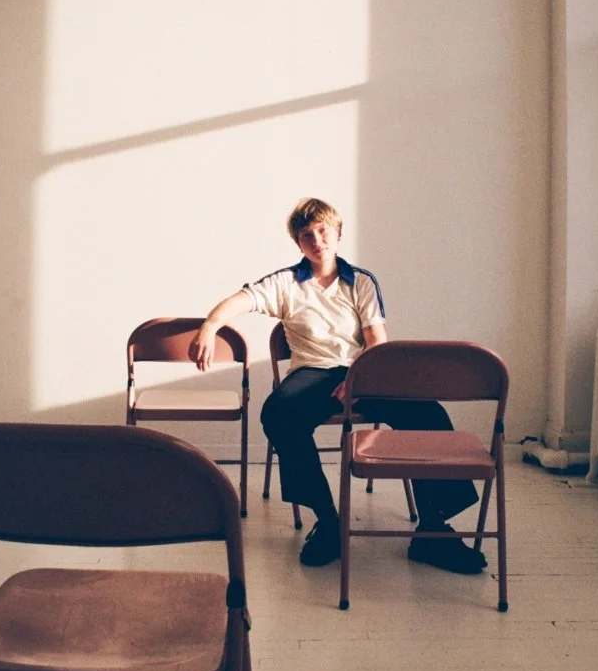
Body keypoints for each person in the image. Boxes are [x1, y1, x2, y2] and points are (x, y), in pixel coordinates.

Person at [189, 197, 486, 573]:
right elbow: (239, 301)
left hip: (366, 371)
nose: (316, 240)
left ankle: (433, 528)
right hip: (313, 375)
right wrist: (210, 326)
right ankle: (327, 521)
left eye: (323, 230)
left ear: (337, 232)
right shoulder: (286, 283)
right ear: (298, 242)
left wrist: (358, 377)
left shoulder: (360, 281)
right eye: (306, 235)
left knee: (428, 414)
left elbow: (377, 341)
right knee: (278, 414)